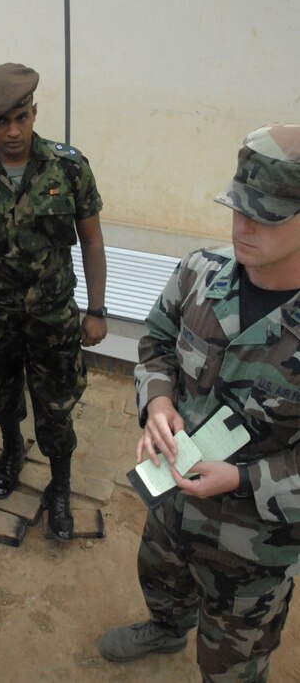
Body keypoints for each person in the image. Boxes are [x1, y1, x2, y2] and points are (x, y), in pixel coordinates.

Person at [98, 124, 300, 681]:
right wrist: (158, 403)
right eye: (239, 206)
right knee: (161, 578)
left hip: (254, 544)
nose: (243, 226)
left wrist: (240, 481)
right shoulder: (199, 273)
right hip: (171, 499)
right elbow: (156, 342)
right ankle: (166, 628)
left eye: (268, 213)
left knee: (232, 664)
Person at [0, 63, 107, 541]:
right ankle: (12, 448)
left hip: (54, 317)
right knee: (2, 395)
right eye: (1, 122)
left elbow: (92, 240)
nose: (13, 132)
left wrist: (96, 311)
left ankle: (59, 484)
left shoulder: (69, 167)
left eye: (21, 117)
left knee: (56, 407)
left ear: (34, 112)